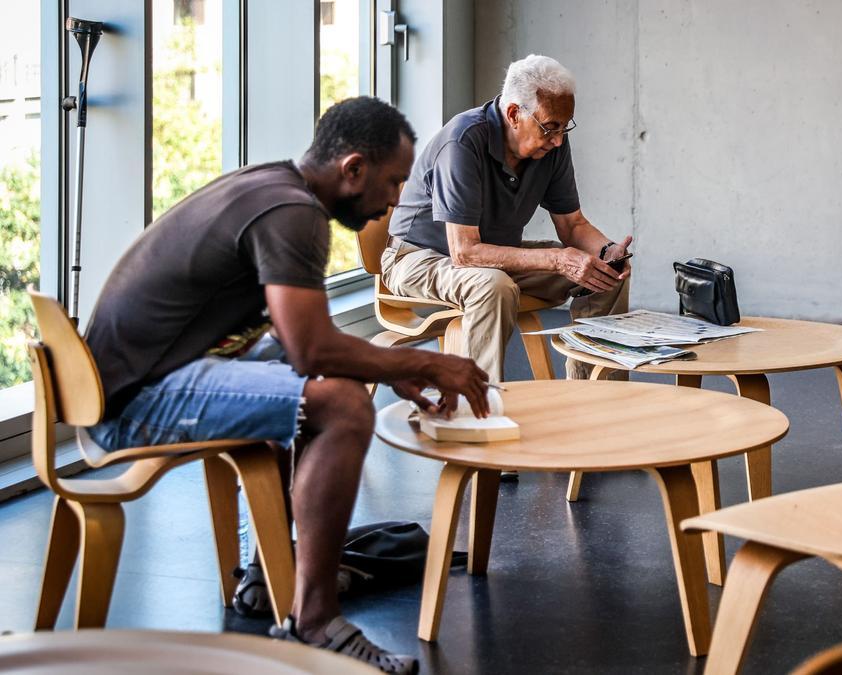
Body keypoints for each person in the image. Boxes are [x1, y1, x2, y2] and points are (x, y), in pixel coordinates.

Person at [85, 96, 489, 674]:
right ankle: (315, 620)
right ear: (353, 169)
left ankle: (264, 574)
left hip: (137, 377)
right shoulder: (292, 215)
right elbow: (311, 347)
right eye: (393, 181)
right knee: (345, 408)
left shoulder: (272, 187)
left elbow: (291, 340)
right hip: (132, 402)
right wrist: (419, 365)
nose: (397, 199)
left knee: (313, 386)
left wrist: (375, 363)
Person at [383, 54, 632, 383]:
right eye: (550, 127)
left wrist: (607, 251)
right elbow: (465, 253)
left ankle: (594, 397)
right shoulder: (462, 142)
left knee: (606, 277)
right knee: (492, 285)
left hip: (492, 256)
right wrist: (556, 259)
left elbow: (573, 225)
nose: (558, 139)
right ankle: (477, 411)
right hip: (419, 257)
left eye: (564, 126)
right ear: (514, 114)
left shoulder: (552, 146)